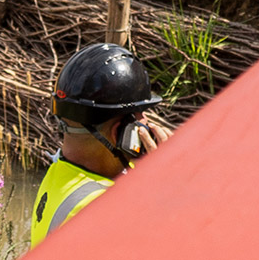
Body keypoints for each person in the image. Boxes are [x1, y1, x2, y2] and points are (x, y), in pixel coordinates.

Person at [30, 43, 170, 244]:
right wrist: (170, 194)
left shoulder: (60, 171)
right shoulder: (100, 213)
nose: (147, 123)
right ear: (122, 132)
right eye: (142, 116)